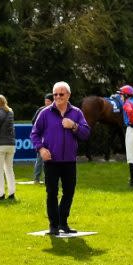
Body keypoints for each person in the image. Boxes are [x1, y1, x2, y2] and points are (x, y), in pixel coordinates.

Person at [30, 82, 91, 235]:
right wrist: (41, 149)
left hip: (69, 160)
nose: (57, 97)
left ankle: (63, 222)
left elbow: (86, 133)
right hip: (51, 161)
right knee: (52, 193)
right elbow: (34, 134)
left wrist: (74, 126)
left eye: (61, 94)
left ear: (68, 95)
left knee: (69, 192)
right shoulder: (45, 113)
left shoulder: (76, 113)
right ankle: (53, 225)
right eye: (55, 94)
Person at [30, 93, 53, 183]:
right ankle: (36, 178)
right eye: (46, 101)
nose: (47, 103)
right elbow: (33, 122)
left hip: (51, 138)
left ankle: (47, 178)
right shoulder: (41, 110)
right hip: (42, 138)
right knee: (40, 158)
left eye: (48, 101)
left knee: (50, 160)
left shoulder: (55, 110)